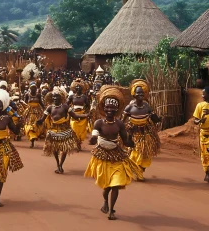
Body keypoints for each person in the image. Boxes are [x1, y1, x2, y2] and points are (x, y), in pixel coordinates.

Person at [84, 85, 142, 220]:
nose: (109, 110)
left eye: (112, 108)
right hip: (102, 156)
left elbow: (126, 141)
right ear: (104, 109)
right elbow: (94, 135)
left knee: (115, 184)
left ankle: (111, 210)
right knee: (107, 187)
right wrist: (93, 139)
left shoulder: (120, 124)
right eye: (107, 108)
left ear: (116, 110)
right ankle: (105, 201)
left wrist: (132, 139)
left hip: (116, 156)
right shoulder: (98, 123)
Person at [36, 87, 88, 174]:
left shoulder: (65, 107)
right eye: (54, 97)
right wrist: (39, 121)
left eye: (57, 97)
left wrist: (85, 115)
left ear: (61, 98)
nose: (55, 98)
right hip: (54, 131)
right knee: (55, 149)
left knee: (64, 150)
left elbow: (75, 116)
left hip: (65, 131)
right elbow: (42, 119)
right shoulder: (49, 108)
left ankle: (60, 165)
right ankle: (58, 165)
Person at [122, 79, 161, 180]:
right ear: (134, 94)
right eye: (138, 92)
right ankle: (137, 172)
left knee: (145, 156)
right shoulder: (129, 107)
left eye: (142, 92)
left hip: (145, 134)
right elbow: (122, 121)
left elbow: (154, 118)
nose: (141, 94)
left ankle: (139, 170)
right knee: (136, 154)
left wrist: (159, 118)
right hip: (134, 134)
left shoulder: (147, 106)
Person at [68, 79, 90, 151]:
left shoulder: (84, 97)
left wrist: (87, 113)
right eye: (77, 88)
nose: (78, 90)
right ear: (75, 89)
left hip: (82, 115)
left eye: (79, 89)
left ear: (82, 89)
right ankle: (76, 142)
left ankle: (78, 143)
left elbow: (88, 105)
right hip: (74, 114)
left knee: (81, 130)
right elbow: (66, 104)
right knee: (74, 128)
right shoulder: (72, 96)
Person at [23, 82, 44, 148]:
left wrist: (45, 109)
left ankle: (35, 136)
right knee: (29, 125)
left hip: (37, 112)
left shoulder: (38, 95)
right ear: (30, 88)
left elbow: (41, 102)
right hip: (29, 112)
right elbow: (24, 103)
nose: (33, 89)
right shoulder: (27, 95)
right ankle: (32, 139)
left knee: (36, 125)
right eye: (32, 88)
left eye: (34, 88)